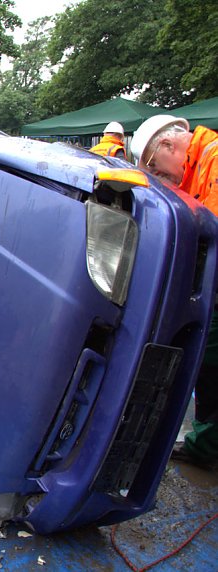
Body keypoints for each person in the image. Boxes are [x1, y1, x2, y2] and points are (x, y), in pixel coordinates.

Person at [132, 114, 218, 469]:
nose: (164, 182)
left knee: (199, 353)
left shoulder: (213, 163)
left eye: (160, 172)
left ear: (168, 146)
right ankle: (204, 448)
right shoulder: (200, 167)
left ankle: (191, 447)